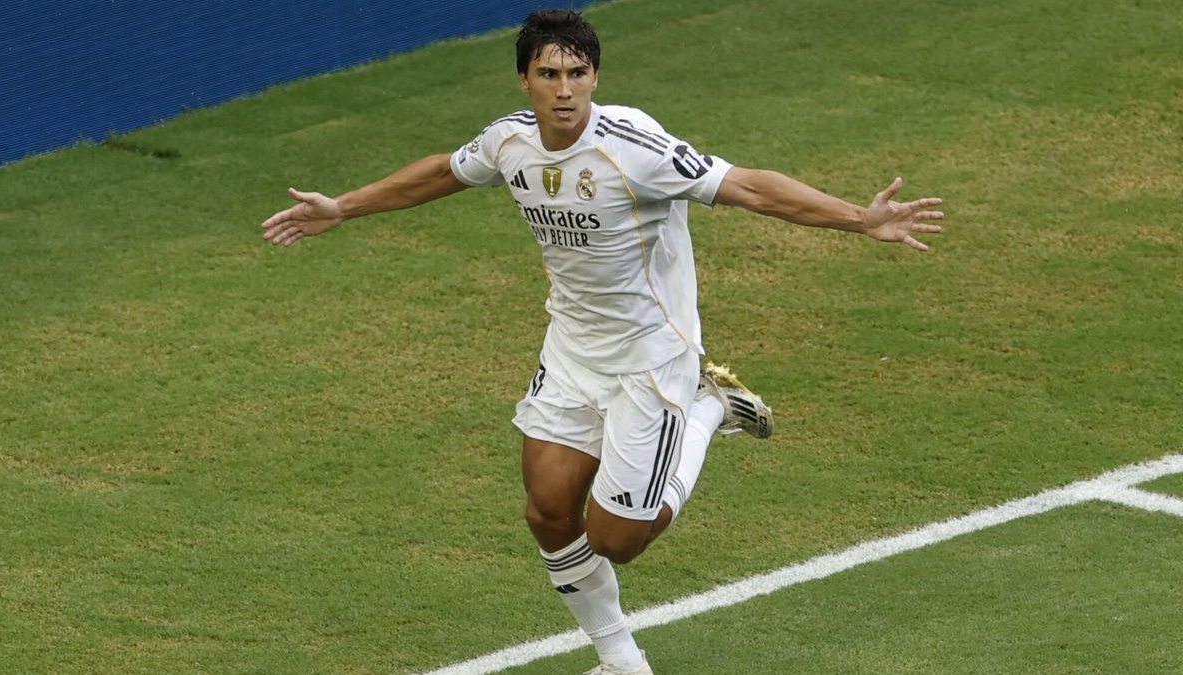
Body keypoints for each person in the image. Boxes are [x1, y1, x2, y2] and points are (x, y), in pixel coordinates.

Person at [260, 9, 944, 674]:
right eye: (549, 74)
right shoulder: (509, 142)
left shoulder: (634, 148)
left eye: (578, 73)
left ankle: (711, 407)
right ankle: (621, 660)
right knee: (549, 509)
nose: (565, 89)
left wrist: (859, 218)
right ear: (524, 81)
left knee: (617, 540)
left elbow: (747, 188)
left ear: (595, 77)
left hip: (652, 357)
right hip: (573, 350)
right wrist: (342, 207)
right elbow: (445, 171)